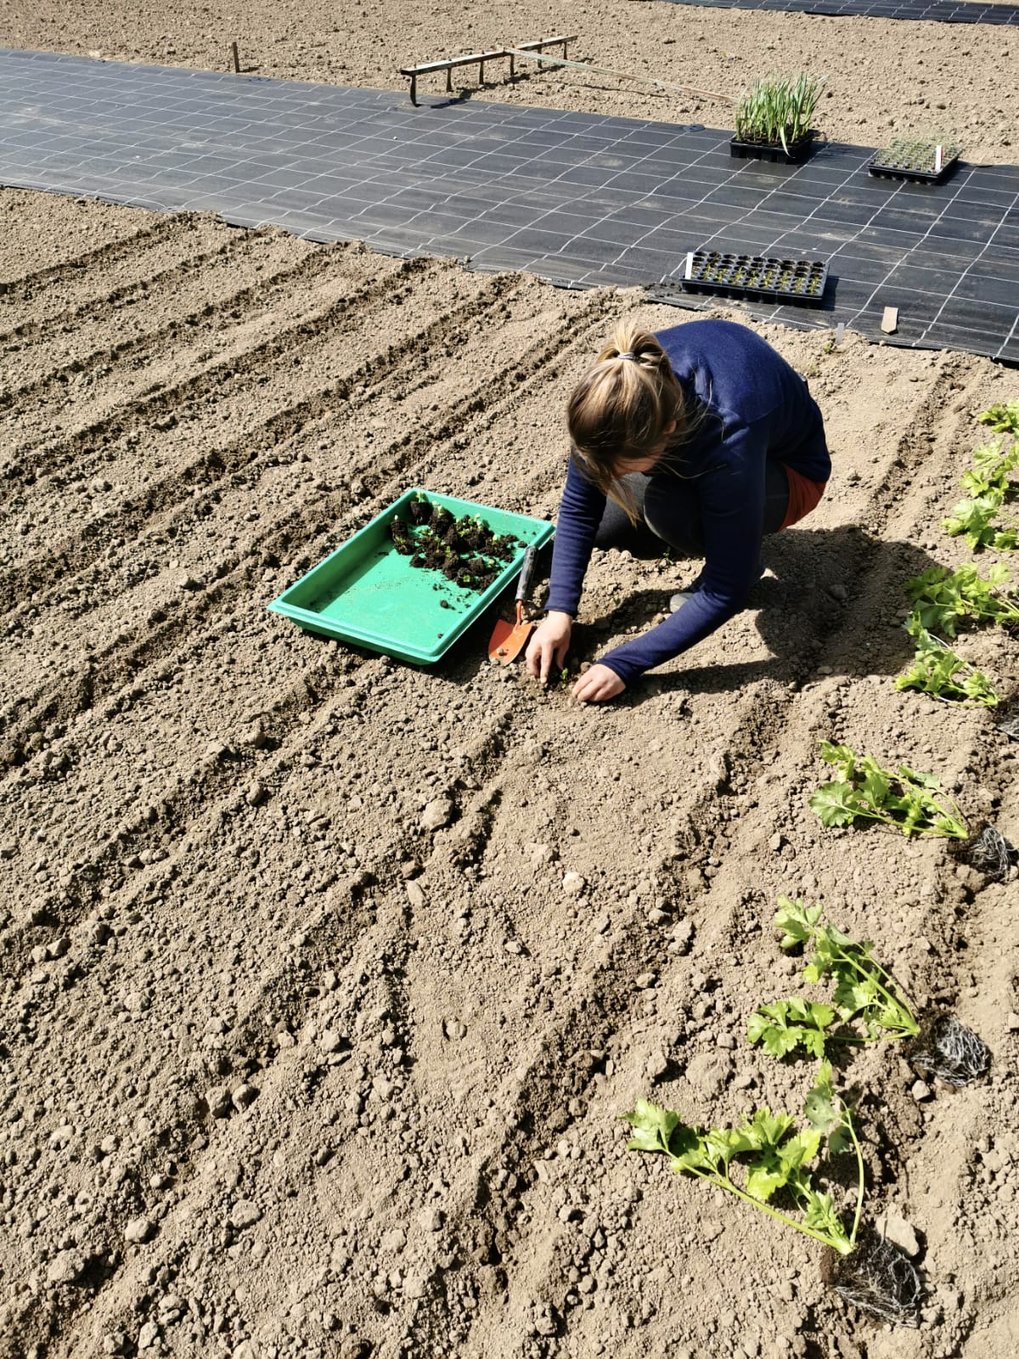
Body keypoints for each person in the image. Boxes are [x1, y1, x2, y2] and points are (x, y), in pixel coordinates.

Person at [525, 317, 831, 703]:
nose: (609, 477)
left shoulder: (727, 433)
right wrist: (559, 613)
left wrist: (626, 663)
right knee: (607, 527)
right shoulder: (616, 386)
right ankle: (712, 524)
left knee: (668, 509)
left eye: (621, 467)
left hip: (789, 473)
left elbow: (725, 591)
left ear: (667, 431)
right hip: (708, 445)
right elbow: (579, 506)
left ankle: (743, 552)